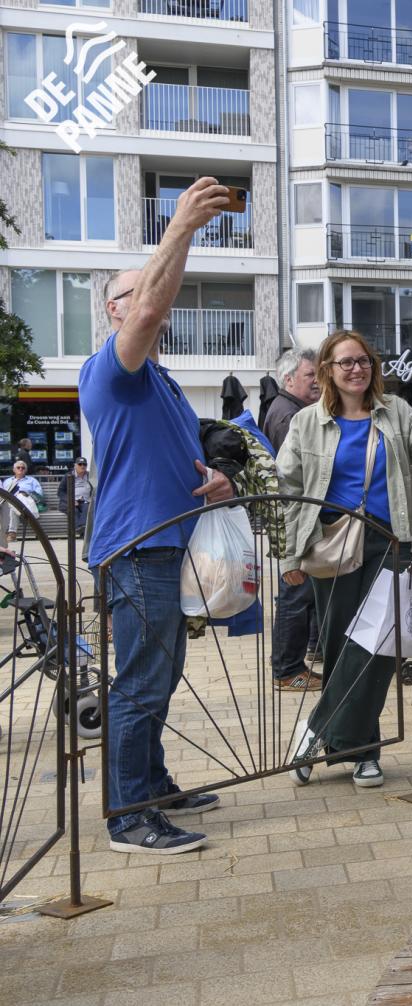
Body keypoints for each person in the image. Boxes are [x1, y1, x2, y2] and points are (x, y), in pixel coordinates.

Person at [83, 178, 238, 855]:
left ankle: (153, 784)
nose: (157, 301)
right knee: (142, 681)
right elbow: (148, 308)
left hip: (165, 545)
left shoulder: (161, 382)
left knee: (158, 676)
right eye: (139, 290)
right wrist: (181, 227)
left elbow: (180, 461)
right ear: (113, 310)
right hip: (138, 548)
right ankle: (129, 816)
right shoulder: (111, 370)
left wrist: (215, 480)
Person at [280, 330, 412, 789]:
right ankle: (361, 752)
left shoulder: (396, 412)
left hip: (391, 541)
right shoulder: (306, 423)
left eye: (363, 361)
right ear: (328, 370)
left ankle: (319, 731)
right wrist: (289, 556)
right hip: (333, 543)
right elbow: (290, 492)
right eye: (345, 362)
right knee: (341, 648)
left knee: (377, 647)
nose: (356, 369)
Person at [265, 348, 324, 691]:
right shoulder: (288, 415)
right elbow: (299, 474)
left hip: (300, 518)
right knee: (295, 592)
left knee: (301, 592)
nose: (317, 381)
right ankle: (287, 670)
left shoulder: (293, 410)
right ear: (288, 379)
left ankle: (298, 659)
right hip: (296, 519)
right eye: (309, 375)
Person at [2, 459, 44, 542]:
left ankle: (12, 534)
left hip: (27, 501)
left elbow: (39, 495)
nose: (20, 469)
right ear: (14, 470)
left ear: (26, 470)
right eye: (18, 467)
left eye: (23, 468)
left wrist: (28, 493)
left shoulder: (32, 480)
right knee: (14, 500)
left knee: (18, 500)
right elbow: (3, 495)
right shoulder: (7, 481)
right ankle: (28, 517)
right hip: (10, 503)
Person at [69, 457, 94, 538]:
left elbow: (95, 487)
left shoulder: (90, 476)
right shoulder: (69, 476)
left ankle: (81, 529)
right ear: (75, 465)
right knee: (74, 510)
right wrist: (71, 500)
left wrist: (92, 498)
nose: (82, 466)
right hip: (72, 501)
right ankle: (81, 530)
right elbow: (61, 491)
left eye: (84, 464)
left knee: (87, 508)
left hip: (86, 500)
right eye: (80, 464)